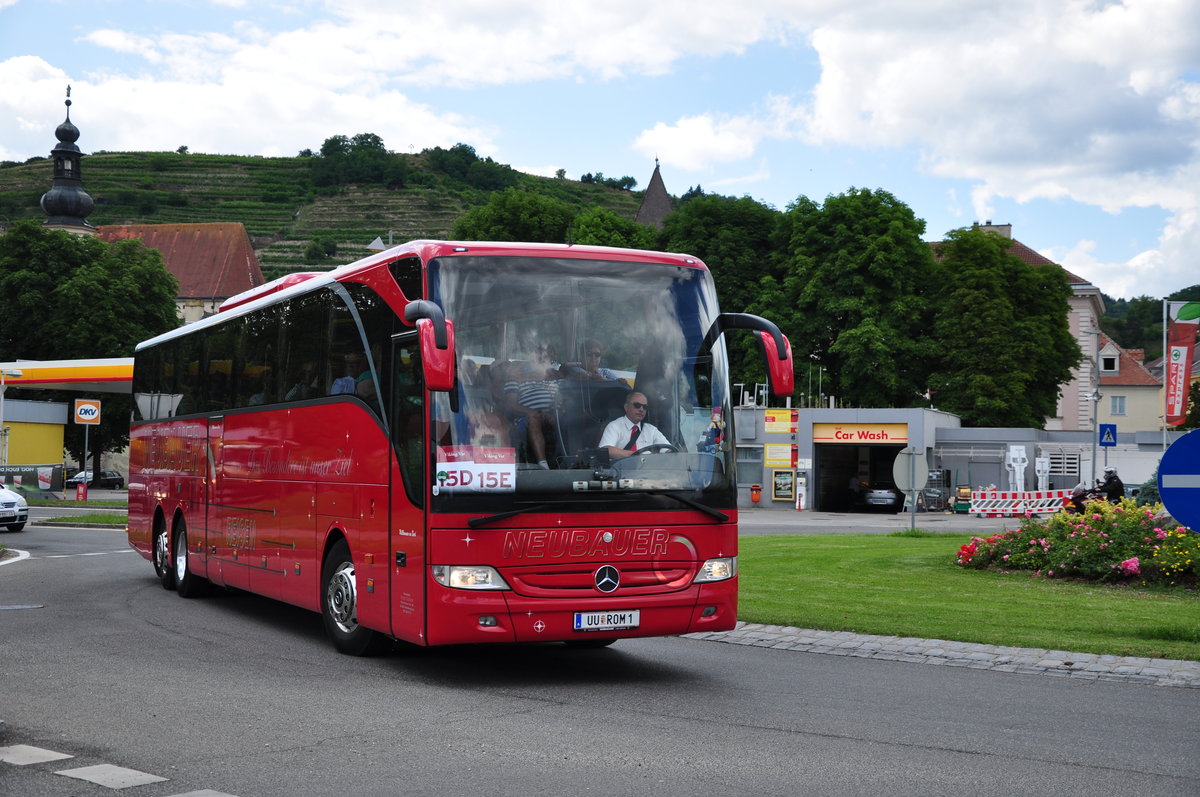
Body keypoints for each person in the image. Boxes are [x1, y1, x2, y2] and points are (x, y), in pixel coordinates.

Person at [504, 344, 564, 469]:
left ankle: (574, 461)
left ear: (552, 355)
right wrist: (537, 413)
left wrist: (558, 412)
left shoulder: (557, 376)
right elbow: (511, 404)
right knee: (533, 419)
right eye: (538, 352)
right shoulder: (515, 376)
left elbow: (568, 400)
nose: (542, 356)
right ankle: (543, 464)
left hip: (556, 415)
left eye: (547, 352)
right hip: (526, 418)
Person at [598, 391, 671, 460]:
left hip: (647, 472)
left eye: (645, 407)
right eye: (637, 405)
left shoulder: (651, 430)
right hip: (621, 472)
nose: (641, 409)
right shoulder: (614, 426)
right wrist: (636, 455)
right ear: (626, 407)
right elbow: (605, 450)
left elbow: (668, 449)